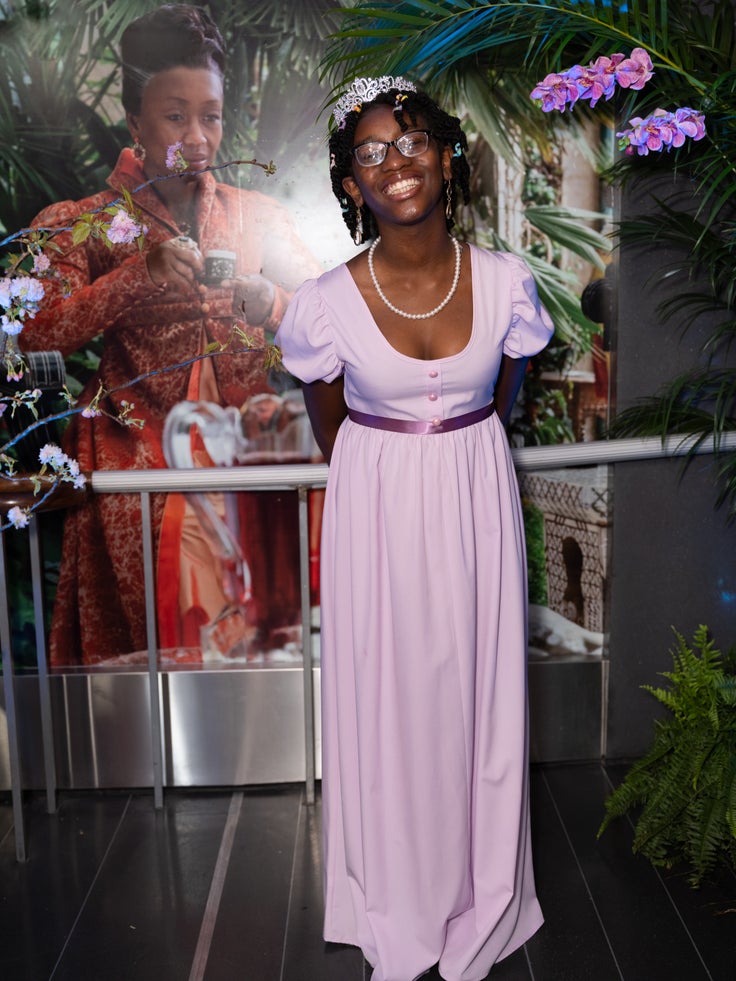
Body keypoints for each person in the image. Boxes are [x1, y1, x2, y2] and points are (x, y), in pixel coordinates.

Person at [275, 76, 554, 981]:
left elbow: (503, 399)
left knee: (479, 703)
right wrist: (390, 478)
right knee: (391, 710)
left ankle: (482, 901)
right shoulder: (323, 302)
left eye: (412, 141)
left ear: (445, 153)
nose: (395, 163)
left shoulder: (509, 284)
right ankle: (392, 904)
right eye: (371, 151)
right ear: (350, 183)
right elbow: (330, 416)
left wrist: (453, 461)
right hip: (378, 514)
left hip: (476, 499)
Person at [21, 4, 323, 665]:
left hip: (246, 446)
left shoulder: (259, 217)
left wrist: (270, 300)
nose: (198, 135)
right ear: (134, 122)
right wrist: (135, 275)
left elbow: (334, 315)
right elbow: (32, 329)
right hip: (141, 452)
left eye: (211, 115)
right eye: (175, 115)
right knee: (166, 604)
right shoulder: (88, 224)